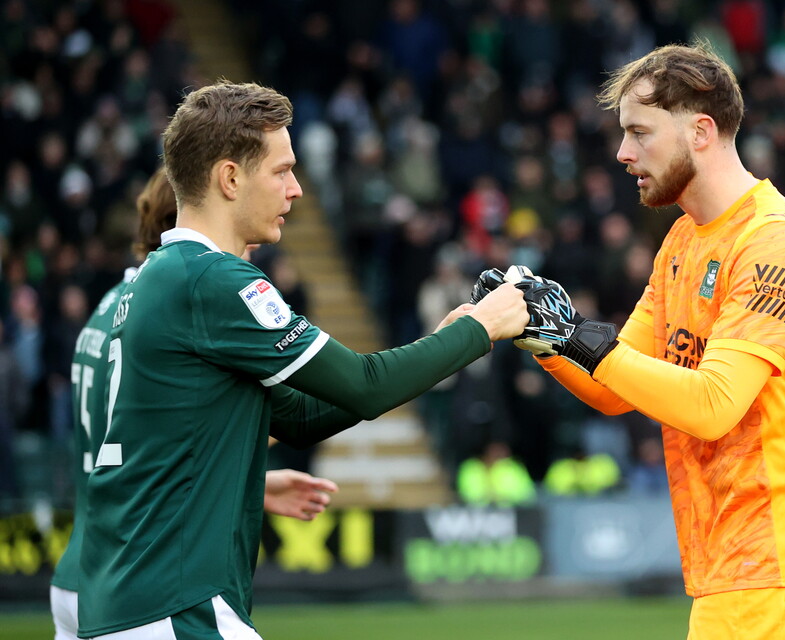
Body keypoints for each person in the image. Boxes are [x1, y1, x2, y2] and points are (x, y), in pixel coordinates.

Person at [77, 81, 528, 639]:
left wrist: (443, 343)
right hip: (175, 605)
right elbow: (364, 385)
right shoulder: (211, 279)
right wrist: (482, 328)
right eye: (282, 170)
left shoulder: (160, 277)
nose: (295, 190)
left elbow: (301, 414)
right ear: (230, 178)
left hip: (138, 599)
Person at [476, 43, 785, 639]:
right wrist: (540, 333)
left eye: (639, 132)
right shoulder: (683, 241)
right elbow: (615, 389)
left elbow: (713, 406)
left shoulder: (777, 242)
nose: (622, 152)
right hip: (737, 564)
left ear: (702, 131)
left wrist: (579, 335)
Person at [50, 167, 341, 640]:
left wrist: (250, 482)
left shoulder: (111, 307)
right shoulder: (168, 305)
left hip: (85, 566)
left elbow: (135, 439)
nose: (249, 252)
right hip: (135, 574)